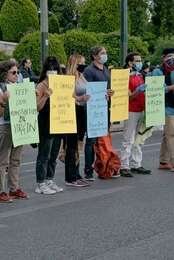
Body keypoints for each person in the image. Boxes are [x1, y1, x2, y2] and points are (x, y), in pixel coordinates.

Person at [0, 60, 29, 202]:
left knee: (16, 159)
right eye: (13, 72)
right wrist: (3, 101)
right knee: (3, 160)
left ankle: (13, 188)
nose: (16, 75)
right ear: (5, 74)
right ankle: (0, 190)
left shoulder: (19, 87)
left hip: (18, 124)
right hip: (6, 126)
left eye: (17, 72)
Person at [151, 47, 174, 174]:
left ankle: (164, 161)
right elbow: (154, 89)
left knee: (168, 134)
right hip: (167, 108)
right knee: (173, 136)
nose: (173, 59)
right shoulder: (158, 71)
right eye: (170, 56)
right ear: (164, 58)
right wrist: (171, 87)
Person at [82, 45, 115, 180]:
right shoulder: (89, 71)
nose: (105, 55)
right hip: (93, 110)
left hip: (105, 109)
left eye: (105, 53)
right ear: (95, 55)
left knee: (102, 140)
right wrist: (103, 93)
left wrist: (110, 92)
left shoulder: (106, 70)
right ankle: (88, 170)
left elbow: (108, 88)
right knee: (91, 141)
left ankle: (102, 167)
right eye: (102, 53)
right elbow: (88, 90)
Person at [34, 56, 65, 195]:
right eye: (50, 69)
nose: (53, 72)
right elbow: (36, 107)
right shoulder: (41, 85)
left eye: (55, 69)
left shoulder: (60, 83)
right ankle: (40, 183)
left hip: (58, 122)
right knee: (44, 154)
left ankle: (49, 179)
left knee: (53, 154)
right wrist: (45, 97)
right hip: (46, 123)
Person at [120, 52, 151, 176]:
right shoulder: (125, 77)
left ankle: (136, 164)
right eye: (137, 61)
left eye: (140, 60)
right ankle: (124, 165)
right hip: (131, 110)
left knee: (138, 139)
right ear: (130, 63)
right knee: (128, 139)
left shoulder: (139, 75)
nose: (140, 63)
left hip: (141, 110)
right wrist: (138, 91)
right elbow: (129, 97)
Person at [64, 54, 91, 187]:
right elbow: (69, 98)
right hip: (73, 112)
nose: (83, 65)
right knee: (72, 145)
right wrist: (80, 99)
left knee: (79, 143)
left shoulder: (82, 77)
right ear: (74, 64)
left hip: (82, 112)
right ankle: (70, 176)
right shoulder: (69, 79)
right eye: (81, 62)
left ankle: (77, 172)